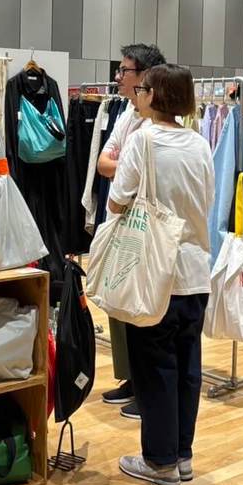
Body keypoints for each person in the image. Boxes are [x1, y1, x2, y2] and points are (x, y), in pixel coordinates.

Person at [108, 64, 215, 485]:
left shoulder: (144, 139)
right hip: (195, 269)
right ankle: (182, 455)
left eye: (142, 88)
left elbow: (117, 200)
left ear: (153, 95)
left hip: (154, 272)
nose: (138, 94)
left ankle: (159, 461)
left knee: (154, 368)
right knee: (188, 368)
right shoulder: (199, 143)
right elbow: (207, 200)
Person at [96, 43, 166, 419]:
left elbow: (133, 171)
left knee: (144, 308)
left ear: (145, 77)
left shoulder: (160, 121)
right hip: (123, 222)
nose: (118, 76)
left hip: (147, 228)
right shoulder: (126, 114)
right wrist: (124, 163)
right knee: (120, 302)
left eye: (124, 70)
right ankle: (131, 378)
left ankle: (147, 388)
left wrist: (122, 163)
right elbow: (103, 163)